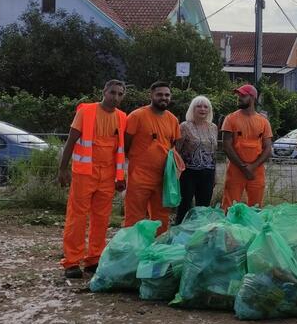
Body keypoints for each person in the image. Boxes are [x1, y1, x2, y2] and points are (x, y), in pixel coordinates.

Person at [57, 80, 127, 279]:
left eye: (120, 94)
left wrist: (120, 176)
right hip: (84, 173)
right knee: (77, 217)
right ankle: (71, 261)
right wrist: (62, 169)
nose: (115, 97)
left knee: (101, 218)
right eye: (112, 92)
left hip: (108, 176)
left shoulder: (122, 118)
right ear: (104, 92)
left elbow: (120, 150)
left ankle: (94, 259)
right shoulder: (86, 112)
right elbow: (71, 140)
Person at [124, 81, 181, 235]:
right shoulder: (137, 116)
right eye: (160, 94)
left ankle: (157, 251)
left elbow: (173, 146)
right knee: (134, 217)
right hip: (140, 176)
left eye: (167, 95)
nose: (164, 98)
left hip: (164, 178)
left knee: (161, 218)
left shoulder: (173, 120)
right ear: (151, 95)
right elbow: (125, 144)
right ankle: (132, 252)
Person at [221, 85, 273, 209]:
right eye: (239, 95)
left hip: (256, 171)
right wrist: (244, 168)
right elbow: (226, 145)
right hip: (235, 170)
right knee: (229, 207)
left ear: (253, 98)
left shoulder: (264, 122)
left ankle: (252, 228)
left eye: (243, 95)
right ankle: (228, 229)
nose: (239, 98)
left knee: (255, 208)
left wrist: (252, 167)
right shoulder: (230, 119)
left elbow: (267, 148)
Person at [175, 95, 218, 223]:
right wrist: (176, 173)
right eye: (199, 106)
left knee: (203, 207)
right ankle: (179, 232)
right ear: (192, 109)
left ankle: (200, 234)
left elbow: (214, 153)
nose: (202, 109)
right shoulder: (185, 126)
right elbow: (177, 151)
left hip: (208, 172)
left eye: (206, 106)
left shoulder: (213, 127)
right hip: (189, 173)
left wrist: (215, 174)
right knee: (185, 205)